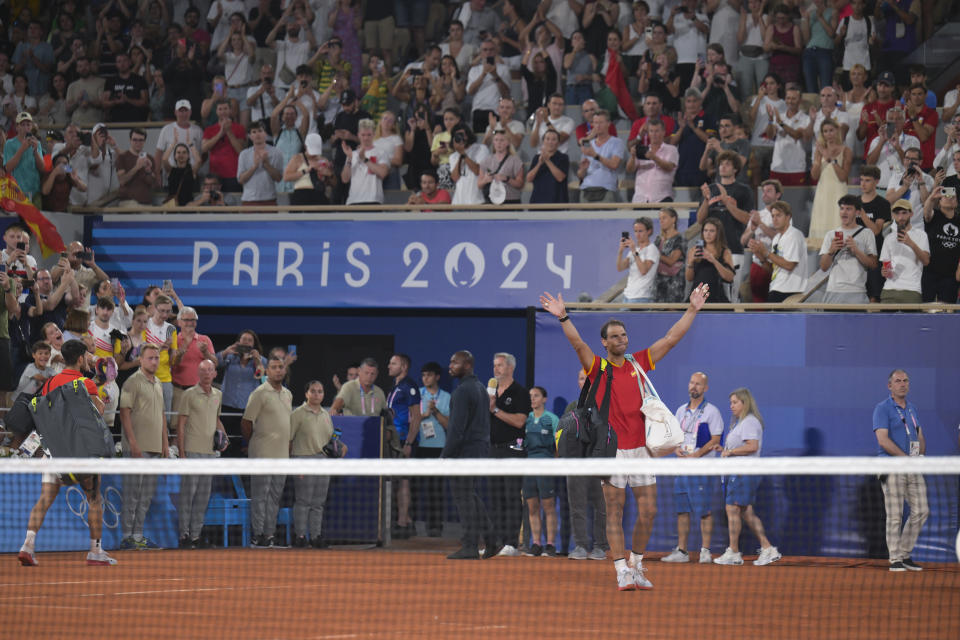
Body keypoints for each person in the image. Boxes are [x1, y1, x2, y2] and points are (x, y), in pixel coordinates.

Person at [539, 281, 710, 591]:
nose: (622, 339)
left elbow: (671, 339)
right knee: (614, 511)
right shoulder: (598, 367)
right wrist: (564, 317)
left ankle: (637, 564)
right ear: (604, 342)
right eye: (615, 336)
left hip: (643, 450)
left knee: (649, 512)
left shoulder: (638, 362)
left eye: (624, 335)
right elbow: (578, 345)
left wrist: (692, 309)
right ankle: (621, 569)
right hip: (613, 451)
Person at [17, 339, 116, 567]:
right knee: (94, 498)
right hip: (81, 453)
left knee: (45, 497)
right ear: (81, 359)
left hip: (54, 451)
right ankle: (95, 551)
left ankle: (27, 546)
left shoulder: (50, 382)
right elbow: (97, 415)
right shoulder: (86, 383)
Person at [661, 371, 725, 564]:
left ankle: (705, 551)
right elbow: (675, 437)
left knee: (704, 510)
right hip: (682, 468)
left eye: (698, 384)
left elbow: (716, 439)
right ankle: (682, 551)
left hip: (701, 469)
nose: (693, 386)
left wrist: (697, 454)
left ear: (705, 388)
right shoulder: (680, 411)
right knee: (682, 510)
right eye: (691, 383)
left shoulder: (712, 411)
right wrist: (677, 449)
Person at [713, 388, 781, 566]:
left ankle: (735, 552)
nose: (731, 406)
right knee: (746, 511)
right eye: (730, 403)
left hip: (743, 473)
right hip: (739, 472)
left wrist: (731, 452)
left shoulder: (750, 421)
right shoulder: (741, 423)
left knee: (732, 509)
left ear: (745, 403)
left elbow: (752, 446)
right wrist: (725, 451)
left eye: (735, 402)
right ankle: (767, 548)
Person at [442, 350, 499, 560]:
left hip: (465, 452)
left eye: (454, 362)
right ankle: (492, 540)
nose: (450, 365)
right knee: (469, 495)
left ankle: (470, 546)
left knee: (463, 498)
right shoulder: (479, 388)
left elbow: (457, 429)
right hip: (479, 450)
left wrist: (445, 456)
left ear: (467, 365)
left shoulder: (463, 391)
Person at [873, 369, 928, 572]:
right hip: (892, 467)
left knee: (922, 510)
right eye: (898, 381)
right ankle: (895, 557)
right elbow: (883, 440)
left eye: (905, 380)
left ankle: (905, 553)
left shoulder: (912, 409)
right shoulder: (882, 408)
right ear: (890, 386)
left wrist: (920, 456)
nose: (902, 384)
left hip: (913, 468)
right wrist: (906, 460)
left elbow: (919, 435)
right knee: (895, 515)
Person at [118, 343, 168, 550]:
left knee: (146, 495)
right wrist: (133, 444)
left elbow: (162, 416)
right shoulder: (132, 382)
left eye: (156, 358)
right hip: (137, 449)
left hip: (155, 449)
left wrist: (165, 443)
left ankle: (138, 535)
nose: (154, 361)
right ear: (141, 360)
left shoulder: (158, 383)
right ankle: (127, 536)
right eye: (150, 358)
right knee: (132, 494)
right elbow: (124, 412)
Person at [242, 357, 293, 547]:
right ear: (267, 371)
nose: (278, 371)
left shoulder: (288, 394)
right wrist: (253, 443)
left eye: (281, 367)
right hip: (262, 455)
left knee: (274, 497)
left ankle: (269, 535)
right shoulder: (259, 393)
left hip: (282, 457)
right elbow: (246, 423)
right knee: (260, 496)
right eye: (274, 367)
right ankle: (258, 535)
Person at [176, 359, 226, 549]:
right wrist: (181, 452)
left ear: (214, 374)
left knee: (203, 496)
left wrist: (225, 437)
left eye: (210, 370)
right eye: (203, 370)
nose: (207, 374)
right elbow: (181, 424)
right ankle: (184, 535)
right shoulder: (189, 394)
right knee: (188, 495)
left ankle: (196, 536)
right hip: (192, 451)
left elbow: (217, 420)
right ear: (198, 373)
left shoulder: (218, 395)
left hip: (209, 454)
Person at [487, 352, 531, 557]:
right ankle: (495, 542)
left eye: (500, 365)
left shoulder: (520, 392)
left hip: (513, 450)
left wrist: (495, 410)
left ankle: (511, 543)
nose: (496, 369)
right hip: (492, 450)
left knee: (512, 496)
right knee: (495, 498)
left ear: (511, 368)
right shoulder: (491, 392)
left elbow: (520, 422)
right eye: (495, 365)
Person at [290, 380, 340, 548]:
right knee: (303, 501)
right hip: (303, 459)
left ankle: (316, 536)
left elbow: (331, 439)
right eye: (313, 391)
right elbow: (289, 439)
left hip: (323, 461)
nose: (317, 394)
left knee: (318, 502)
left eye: (320, 391)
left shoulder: (326, 415)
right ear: (306, 394)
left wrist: (339, 446)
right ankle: (300, 536)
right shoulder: (297, 414)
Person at [818, 195, 878, 304]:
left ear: (858, 212)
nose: (844, 212)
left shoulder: (867, 233)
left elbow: (873, 264)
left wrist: (856, 251)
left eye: (849, 209)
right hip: (833, 291)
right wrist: (831, 251)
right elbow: (823, 267)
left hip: (857, 292)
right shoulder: (830, 235)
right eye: (842, 208)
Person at [523, 385, 560, 557]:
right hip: (529, 466)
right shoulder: (526, 419)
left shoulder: (552, 419)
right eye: (530, 396)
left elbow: (559, 446)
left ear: (544, 399)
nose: (532, 399)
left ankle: (550, 545)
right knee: (532, 507)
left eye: (536, 396)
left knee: (549, 506)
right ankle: (536, 543)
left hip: (546, 466)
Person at [216, 330, 266, 456]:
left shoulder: (261, 360)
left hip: (247, 408)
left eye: (250, 340)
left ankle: (243, 473)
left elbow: (262, 377)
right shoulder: (230, 357)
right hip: (228, 405)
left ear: (254, 344)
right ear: (239, 341)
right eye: (244, 339)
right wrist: (226, 352)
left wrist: (257, 361)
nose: (246, 342)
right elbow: (215, 363)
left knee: (244, 444)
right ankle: (227, 473)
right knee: (227, 443)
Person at [389, 353, 423, 539]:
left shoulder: (409, 386)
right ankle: (406, 520)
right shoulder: (395, 386)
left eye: (393, 363)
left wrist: (409, 442)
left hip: (404, 441)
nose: (389, 366)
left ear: (403, 367)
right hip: (394, 441)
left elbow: (416, 417)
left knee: (403, 482)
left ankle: (402, 523)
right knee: (397, 483)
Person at [415, 361, 450, 537]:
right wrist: (423, 415)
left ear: (437, 377)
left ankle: (436, 525)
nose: (425, 378)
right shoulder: (417, 395)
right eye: (423, 375)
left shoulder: (447, 397)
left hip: (439, 448)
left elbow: (449, 424)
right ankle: (415, 524)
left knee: (436, 488)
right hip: (420, 447)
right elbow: (410, 420)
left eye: (428, 375)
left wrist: (435, 411)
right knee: (419, 488)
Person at [750, 200, 808, 302]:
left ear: (788, 217)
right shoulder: (777, 238)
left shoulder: (794, 235)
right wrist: (761, 256)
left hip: (789, 291)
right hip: (776, 288)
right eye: (773, 216)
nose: (775, 219)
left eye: (778, 216)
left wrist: (766, 253)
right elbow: (773, 269)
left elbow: (789, 265)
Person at [879, 200, 930, 303]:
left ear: (911, 214)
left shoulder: (921, 235)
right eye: (897, 213)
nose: (900, 217)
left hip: (911, 289)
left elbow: (926, 261)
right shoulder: (888, 238)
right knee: (885, 319)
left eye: (904, 213)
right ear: (893, 215)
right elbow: (885, 267)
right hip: (889, 289)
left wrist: (910, 243)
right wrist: (884, 271)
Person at [740, 179, 780, 302]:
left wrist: (760, 224)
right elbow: (743, 241)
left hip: (776, 265)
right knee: (757, 303)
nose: (765, 194)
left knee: (774, 303)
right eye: (763, 191)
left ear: (778, 195)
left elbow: (780, 238)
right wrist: (752, 229)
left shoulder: (783, 214)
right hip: (757, 264)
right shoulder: (757, 214)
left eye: (769, 191)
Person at [857, 165, 892, 301]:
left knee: (874, 295)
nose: (863, 184)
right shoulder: (854, 201)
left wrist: (863, 214)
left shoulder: (882, 204)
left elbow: (876, 230)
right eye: (861, 180)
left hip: (875, 252)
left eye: (867, 180)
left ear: (876, 182)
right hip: (856, 252)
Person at [577, 109, 625, 203]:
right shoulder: (589, 144)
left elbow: (614, 164)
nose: (598, 126)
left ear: (608, 124)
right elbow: (580, 175)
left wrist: (595, 156)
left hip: (606, 190)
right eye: (595, 123)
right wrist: (583, 169)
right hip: (586, 189)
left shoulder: (617, 142)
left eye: (601, 122)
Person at [921, 186, 960, 303]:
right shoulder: (935, 216)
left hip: (950, 275)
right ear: (940, 202)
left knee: (948, 311)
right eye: (946, 196)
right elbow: (926, 213)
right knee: (926, 309)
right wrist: (932, 197)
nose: (949, 198)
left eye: (953, 197)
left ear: (957, 203)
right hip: (930, 272)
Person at [627, 119, 677, 204]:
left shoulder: (671, 149)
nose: (654, 134)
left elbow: (669, 167)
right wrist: (632, 157)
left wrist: (654, 157)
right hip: (640, 199)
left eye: (657, 131)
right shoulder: (642, 149)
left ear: (664, 132)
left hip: (662, 198)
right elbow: (630, 169)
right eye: (651, 131)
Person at [687, 217, 735, 303]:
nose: (708, 234)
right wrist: (690, 263)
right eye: (705, 231)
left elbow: (729, 277)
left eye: (711, 231)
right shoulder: (694, 250)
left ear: (718, 233)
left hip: (716, 295)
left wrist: (713, 260)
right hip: (697, 295)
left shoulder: (725, 251)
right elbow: (689, 278)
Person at [342, 118, 389, 205]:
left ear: (374, 135)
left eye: (369, 135)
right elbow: (345, 179)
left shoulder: (381, 152)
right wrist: (349, 158)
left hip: (374, 200)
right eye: (363, 135)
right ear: (358, 135)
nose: (366, 138)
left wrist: (365, 159)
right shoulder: (352, 154)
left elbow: (383, 173)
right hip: (354, 200)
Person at [237, 120, 284, 206]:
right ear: (250, 136)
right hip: (249, 200)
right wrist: (254, 167)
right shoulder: (244, 154)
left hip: (269, 199)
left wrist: (266, 164)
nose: (257, 134)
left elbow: (279, 178)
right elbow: (241, 180)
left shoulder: (276, 152)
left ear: (265, 134)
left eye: (260, 131)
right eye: (254, 132)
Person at [4, 112, 44, 203]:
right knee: (17, 217)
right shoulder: (9, 144)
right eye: (23, 125)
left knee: (34, 217)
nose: (26, 127)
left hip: (35, 190)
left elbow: (42, 168)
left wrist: (35, 152)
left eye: (28, 124)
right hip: (16, 191)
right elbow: (8, 168)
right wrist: (22, 149)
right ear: (17, 127)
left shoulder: (37, 143)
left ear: (32, 127)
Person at [618, 217, 659, 303]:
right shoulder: (635, 249)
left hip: (642, 296)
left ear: (649, 231)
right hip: (628, 295)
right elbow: (620, 268)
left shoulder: (652, 249)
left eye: (640, 231)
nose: (637, 234)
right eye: (635, 231)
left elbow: (643, 271)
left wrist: (634, 251)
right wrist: (620, 251)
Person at [478, 129, 524, 204]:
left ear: (508, 143)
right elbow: (479, 185)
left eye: (502, 140)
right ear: (493, 142)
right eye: (496, 140)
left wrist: (507, 179)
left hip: (510, 200)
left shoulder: (515, 161)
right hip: (491, 200)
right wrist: (485, 180)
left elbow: (520, 184)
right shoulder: (486, 161)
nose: (499, 143)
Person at [449, 124, 490, 205]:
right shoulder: (453, 156)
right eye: (457, 136)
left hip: (476, 201)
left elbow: (478, 171)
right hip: (458, 202)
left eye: (462, 135)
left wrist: (464, 154)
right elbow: (454, 178)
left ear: (468, 135)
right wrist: (460, 154)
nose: (460, 138)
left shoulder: (481, 148)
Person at [527, 129, 569, 204]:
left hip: (557, 201)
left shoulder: (563, 158)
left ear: (558, 143)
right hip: (537, 201)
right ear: (543, 142)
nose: (550, 142)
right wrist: (539, 163)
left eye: (554, 139)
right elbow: (529, 178)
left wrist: (547, 160)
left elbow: (560, 178)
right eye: (547, 139)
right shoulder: (537, 158)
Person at [654, 207, 687, 303]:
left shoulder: (680, 239)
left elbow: (672, 261)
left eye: (664, 218)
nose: (661, 221)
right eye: (660, 219)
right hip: (659, 283)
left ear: (673, 219)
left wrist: (656, 253)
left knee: (672, 314)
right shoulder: (658, 239)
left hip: (674, 284)